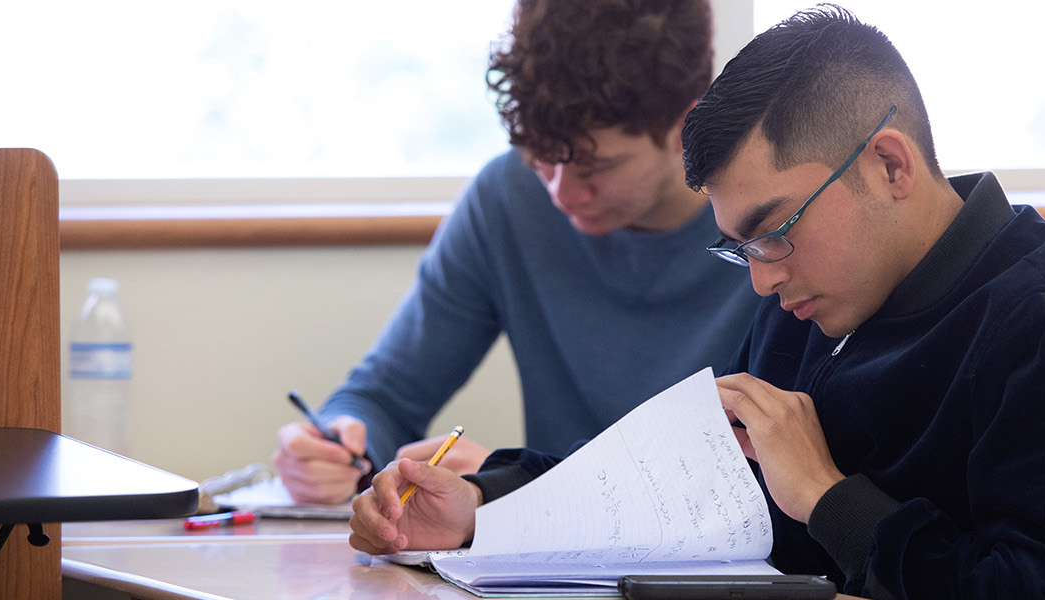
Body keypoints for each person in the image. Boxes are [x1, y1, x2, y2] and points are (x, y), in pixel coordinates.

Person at [349, 6, 1045, 599]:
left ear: (890, 166)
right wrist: (486, 509)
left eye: (773, 228)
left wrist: (827, 496)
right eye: (739, 245)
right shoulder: (813, 311)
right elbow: (675, 494)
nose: (760, 277)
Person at [274, 0, 760, 504]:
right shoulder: (506, 197)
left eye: (596, 168)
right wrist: (335, 444)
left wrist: (514, 480)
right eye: (538, 159)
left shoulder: (771, 228)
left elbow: (774, 479)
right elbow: (383, 397)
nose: (561, 194)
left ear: (687, 123)